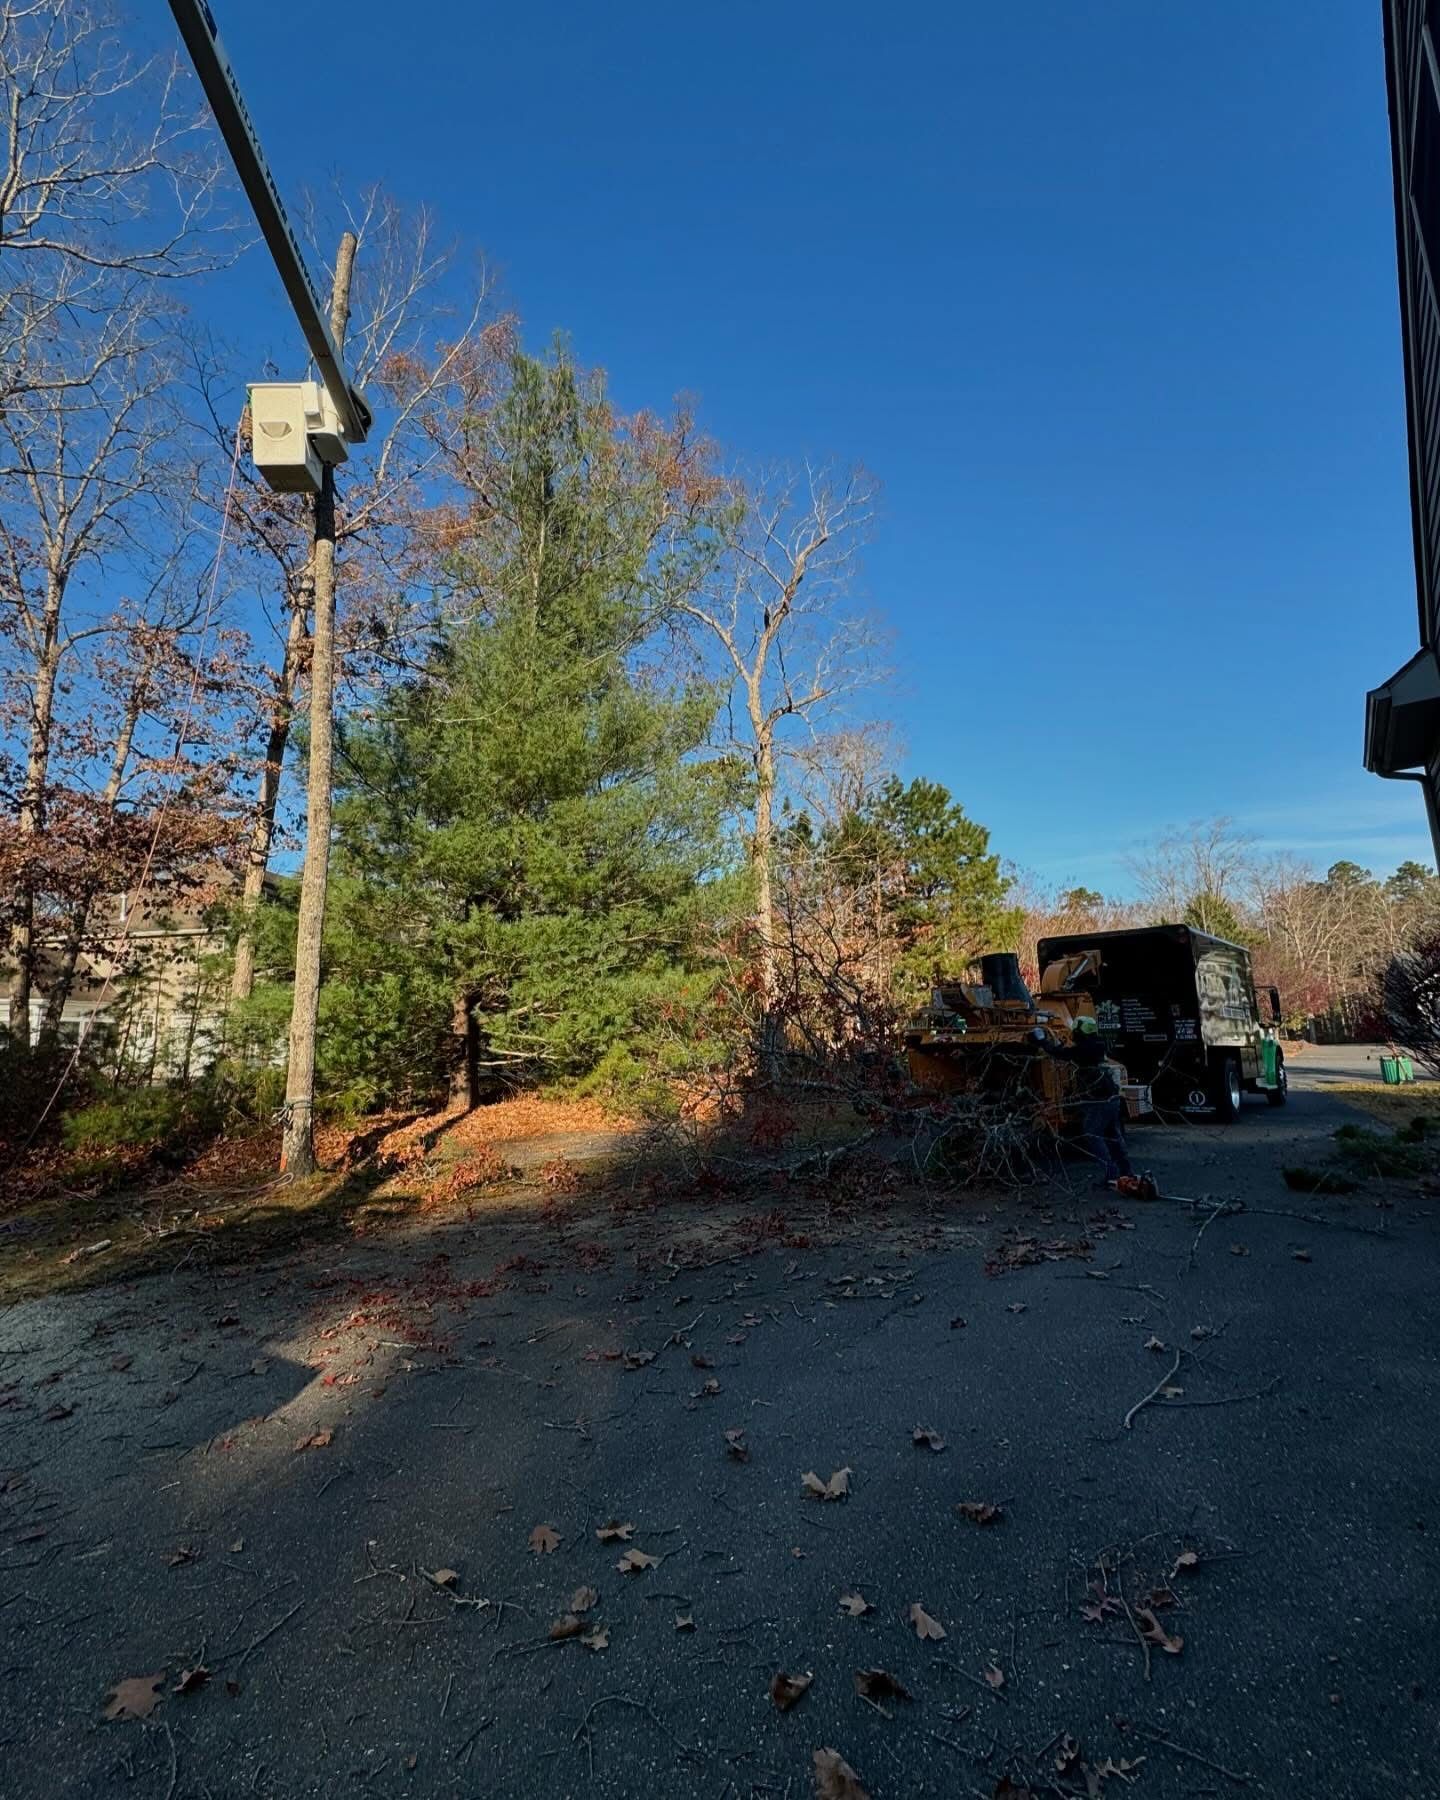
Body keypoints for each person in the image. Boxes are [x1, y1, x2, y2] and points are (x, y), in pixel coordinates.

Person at [1031, 1017, 1134, 1187]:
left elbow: (1061, 1053)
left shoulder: (1084, 1050)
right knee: (1112, 1136)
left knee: (1092, 1134)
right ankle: (1125, 1172)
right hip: (1111, 1098)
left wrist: (1042, 1040)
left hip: (1097, 1100)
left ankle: (1112, 1175)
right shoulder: (1096, 1046)